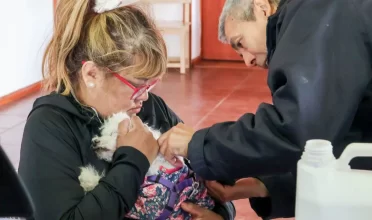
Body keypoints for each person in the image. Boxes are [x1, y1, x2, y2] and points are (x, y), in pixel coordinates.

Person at [158, 0, 372, 219]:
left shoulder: (314, 12)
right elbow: (350, 135)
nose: (247, 60)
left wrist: (200, 144)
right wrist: (264, 185)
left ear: (261, 7)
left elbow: (297, 129)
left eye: (240, 43)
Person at [18, 0, 234, 219]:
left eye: (151, 84)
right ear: (91, 74)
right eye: (138, 85)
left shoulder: (150, 107)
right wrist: (133, 158)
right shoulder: (49, 126)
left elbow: (212, 187)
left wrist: (221, 213)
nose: (146, 95)